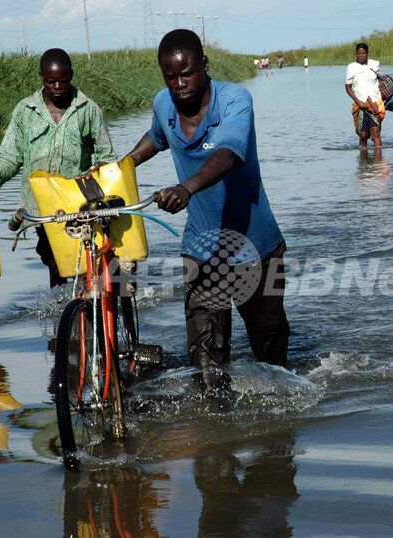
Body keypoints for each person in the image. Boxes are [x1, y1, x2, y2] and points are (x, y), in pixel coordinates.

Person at [109, 29, 290, 379]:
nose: (179, 83)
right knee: (206, 360)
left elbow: (228, 154)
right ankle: (213, 425)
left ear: (204, 65)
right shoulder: (163, 104)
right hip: (202, 246)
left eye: (187, 73)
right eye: (171, 76)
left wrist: (187, 188)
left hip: (257, 246)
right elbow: (157, 136)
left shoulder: (236, 100)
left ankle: (277, 432)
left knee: (271, 354)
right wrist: (122, 165)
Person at [0, 48, 117, 288]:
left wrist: (99, 167)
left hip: (79, 205)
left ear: (72, 76)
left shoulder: (88, 110)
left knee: (85, 265)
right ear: (40, 77)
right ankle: (63, 319)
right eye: (51, 81)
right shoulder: (25, 112)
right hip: (42, 208)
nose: (57, 86)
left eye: (63, 81)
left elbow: (108, 157)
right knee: (56, 264)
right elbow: (10, 157)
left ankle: (89, 313)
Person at [345, 42, 384, 148]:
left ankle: (378, 162)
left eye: (363, 53)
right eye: (359, 53)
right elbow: (348, 88)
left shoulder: (374, 64)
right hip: (360, 103)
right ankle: (363, 162)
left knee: (375, 131)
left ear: (367, 53)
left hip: (375, 102)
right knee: (363, 135)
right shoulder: (351, 67)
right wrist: (358, 102)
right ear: (356, 54)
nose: (361, 55)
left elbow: (382, 80)